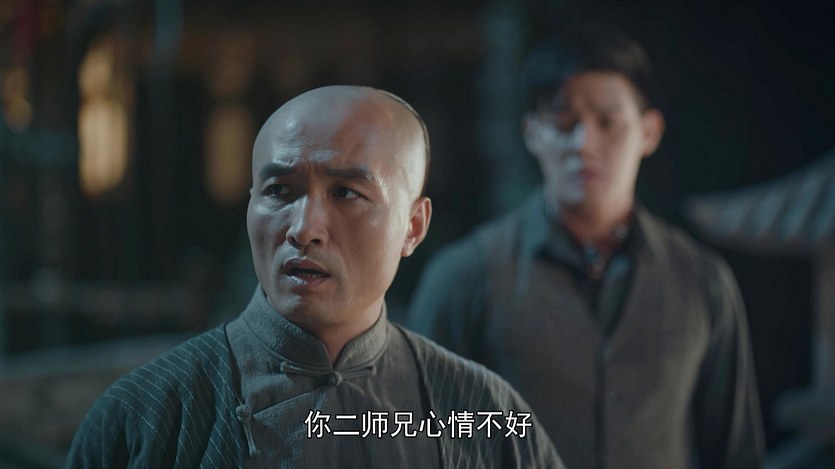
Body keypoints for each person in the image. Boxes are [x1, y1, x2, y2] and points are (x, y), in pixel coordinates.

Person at [65, 86, 564, 468]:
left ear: (413, 226)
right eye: (280, 191)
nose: (304, 230)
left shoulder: (482, 413)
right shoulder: (147, 416)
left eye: (346, 193)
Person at [408, 27, 765, 468]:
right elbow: (420, 441)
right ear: (533, 133)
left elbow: (736, 453)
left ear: (649, 132)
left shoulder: (701, 280)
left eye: (607, 122)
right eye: (564, 121)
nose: (584, 143)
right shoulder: (467, 275)